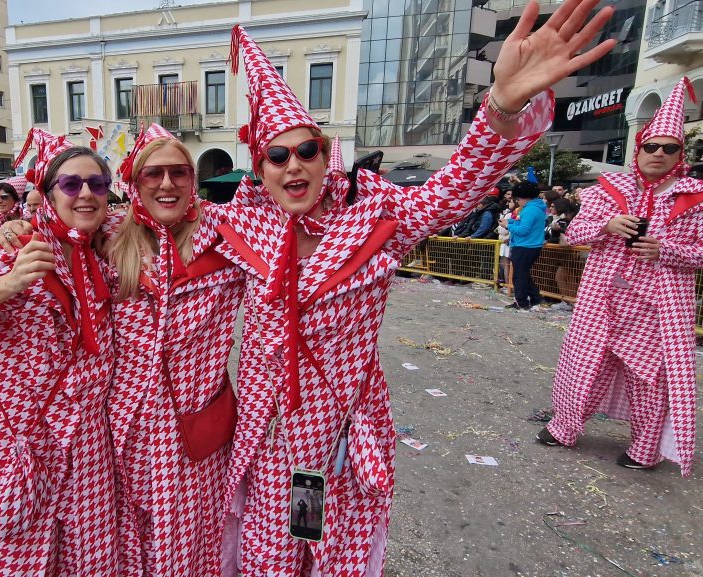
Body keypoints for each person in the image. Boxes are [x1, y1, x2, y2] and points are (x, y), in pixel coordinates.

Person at [217, 1, 614, 573]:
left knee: (323, 547)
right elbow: (152, 235)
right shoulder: (240, 223)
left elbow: (453, 191)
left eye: (306, 149)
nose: (293, 165)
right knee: (266, 555)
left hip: (335, 432)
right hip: (262, 432)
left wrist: (502, 107)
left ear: (326, 155)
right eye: (277, 155)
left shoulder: (376, 213)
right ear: (261, 166)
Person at [0, 131, 118, 576]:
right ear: (50, 195)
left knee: (84, 552)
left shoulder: (108, 250)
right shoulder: (21, 247)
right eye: (71, 185)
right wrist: (6, 285)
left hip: (87, 437)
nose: (86, 194)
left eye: (97, 184)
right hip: (20, 434)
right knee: (13, 553)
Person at [540, 76, 703, 476]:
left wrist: (667, 251)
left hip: (655, 309)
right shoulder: (606, 190)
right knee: (581, 366)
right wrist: (607, 225)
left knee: (648, 380)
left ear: (680, 153)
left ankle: (645, 450)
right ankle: (563, 427)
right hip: (601, 300)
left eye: (670, 148)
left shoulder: (695, 196)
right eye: (651, 145)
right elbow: (573, 234)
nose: (658, 154)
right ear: (639, 147)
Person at [107, 125, 243, 576]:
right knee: (128, 542)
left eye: (179, 173)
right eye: (154, 174)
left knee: (189, 544)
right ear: (135, 181)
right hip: (123, 431)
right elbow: (53, 221)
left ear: (193, 178)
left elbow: (294, 224)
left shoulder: (225, 236)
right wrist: (14, 225)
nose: (167, 184)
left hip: (194, 432)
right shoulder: (108, 240)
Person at [506, 180, 547, 309]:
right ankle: (535, 298)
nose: (518, 202)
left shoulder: (530, 210)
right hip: (531, 245)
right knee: (523, 274)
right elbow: (522, 225)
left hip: (525, 246)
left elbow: (523, 230)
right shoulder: (537, 208)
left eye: (518, 199)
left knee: (519, 276)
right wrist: (511, 223)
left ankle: (521, 302)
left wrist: (508, 225)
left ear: (523, 197)